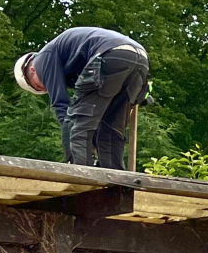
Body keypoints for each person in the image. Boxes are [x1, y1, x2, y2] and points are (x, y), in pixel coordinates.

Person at [13, 27, 150, 168]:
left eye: (39, 86)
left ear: (31, 70)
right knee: (110, 128)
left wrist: (70, 148)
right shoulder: (70, 62)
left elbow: (61, 105)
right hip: (140, 59)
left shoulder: (42, 59)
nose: (46, 88)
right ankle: (114, 183)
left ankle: (81, 175)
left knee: (77, 124)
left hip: (110, 53)